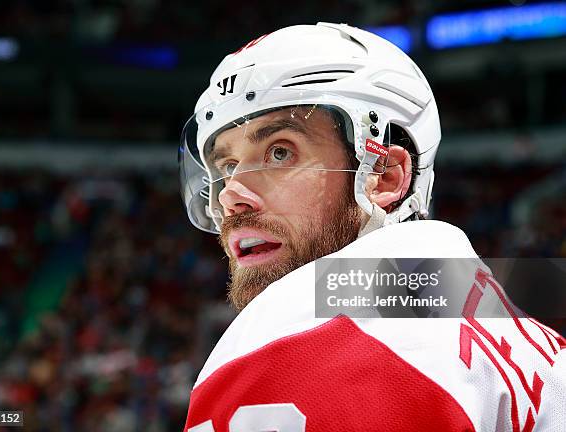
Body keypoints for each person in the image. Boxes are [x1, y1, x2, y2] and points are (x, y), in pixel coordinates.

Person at [178, 23, 566, 431]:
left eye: (279, 152)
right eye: (227, 166)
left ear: (383, 177)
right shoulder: (543, 353)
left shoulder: (299, 328)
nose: (229, 194)